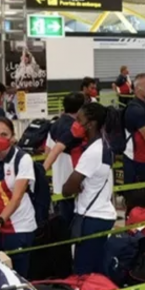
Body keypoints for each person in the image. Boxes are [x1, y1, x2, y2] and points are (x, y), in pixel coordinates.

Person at [63, 102, 116, 274]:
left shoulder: (92, 152)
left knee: (83, 270)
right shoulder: (105, 145)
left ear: (91, 124)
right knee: (97, 269)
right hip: (102, 214)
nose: (76, 124)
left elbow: (67, 189)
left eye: (79, 120)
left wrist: (75, 185)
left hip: (91, 218)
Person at [0, 117, 37, 276]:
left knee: (19, 274)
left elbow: (17, 197)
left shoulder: (22, 159)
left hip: (19, 227)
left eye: (4, 134)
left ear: (12, 136)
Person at [44, 92, 87, 223]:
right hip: (75, 180)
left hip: (58, 180)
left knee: (63, 219)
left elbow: (47, 151)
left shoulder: (55, 124)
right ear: (81, 109)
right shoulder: (77, 128)